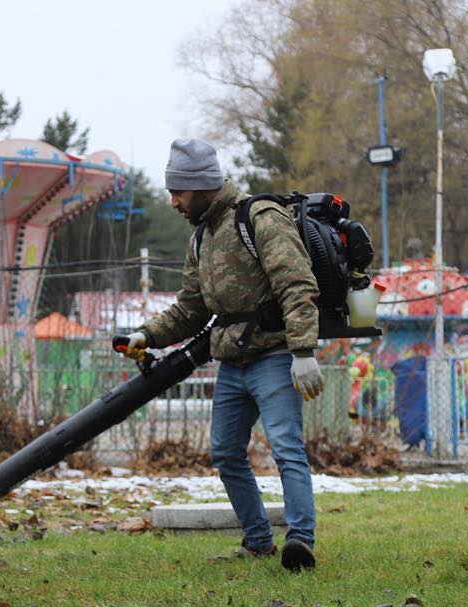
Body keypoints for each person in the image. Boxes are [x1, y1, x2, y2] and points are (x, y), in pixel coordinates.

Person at [122, 138, 323, 571]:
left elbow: (297, 284)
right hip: (232, 362)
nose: (173, 201)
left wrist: (303, 351)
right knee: (226, 453)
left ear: (203, 186)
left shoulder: (260, 219)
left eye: (179, 192)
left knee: (286, 448)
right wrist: (145, 335)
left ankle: (301, 541)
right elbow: (190, 309)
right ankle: (257, 541)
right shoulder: (202, 238)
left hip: (274, 356)